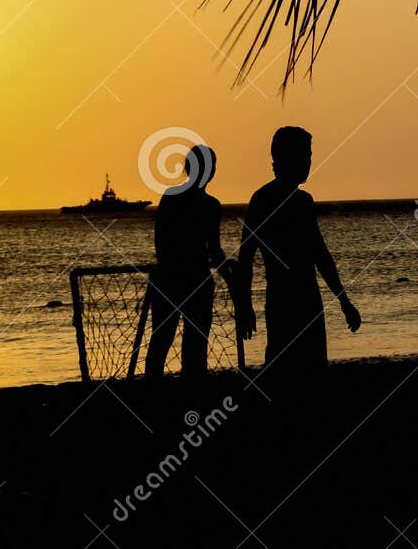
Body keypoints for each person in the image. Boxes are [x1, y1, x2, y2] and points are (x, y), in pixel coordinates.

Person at [233, 126, 361, 375]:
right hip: (283, 300)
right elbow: (246, 257)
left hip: (308, 299)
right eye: (305, 156)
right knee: (283, 369)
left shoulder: (302, 201)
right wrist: (244, 306)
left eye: (310, 156)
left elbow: (321, 256)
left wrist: (344, 301)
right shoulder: (263, 200)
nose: (309, 162)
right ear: (285, 159)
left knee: (310, 369)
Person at [145, 144, 231, 380]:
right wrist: (232, 280)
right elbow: (214, 250)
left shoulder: (171, 198)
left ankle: (152, 394)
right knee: (194, 345)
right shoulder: (210, 206)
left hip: (169, 278)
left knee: (161, 341)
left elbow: (161, 242)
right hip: (196, 279)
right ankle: (191, 394)